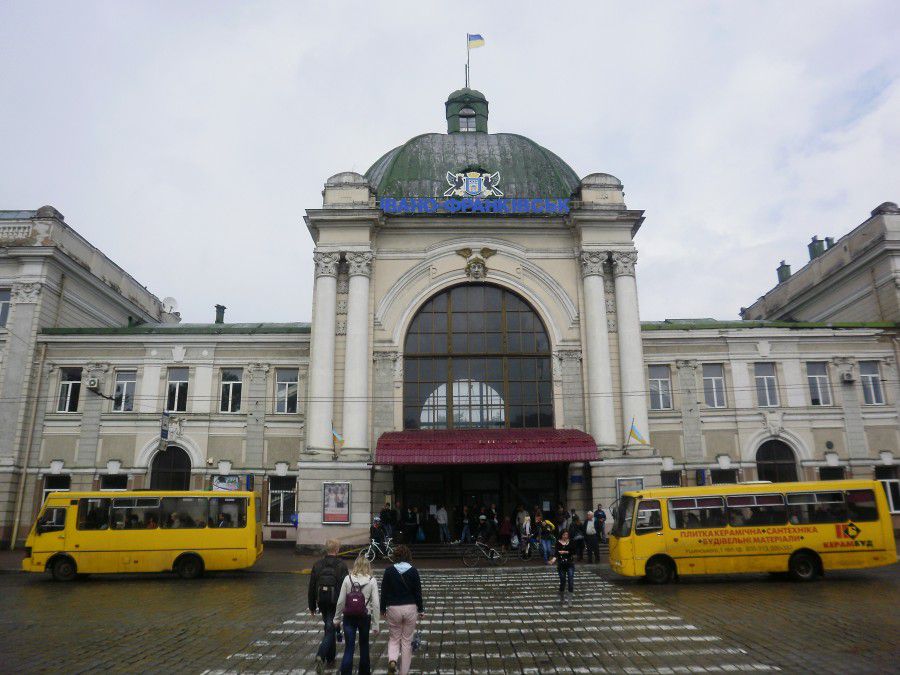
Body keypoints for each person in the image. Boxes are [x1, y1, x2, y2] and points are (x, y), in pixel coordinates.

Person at [333, 555, 380, 675]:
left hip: (349, 617)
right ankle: (364, 672)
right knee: (364, 646)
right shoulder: (371, 580)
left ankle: (346, 672)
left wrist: (337, 618)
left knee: (349, 647)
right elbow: (376, 604)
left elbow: (341, 601)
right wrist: (376, 625)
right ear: (367, 566)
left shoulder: (347, 579)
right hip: (365, 616)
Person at [380, 545, 424, 675]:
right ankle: (403, 672)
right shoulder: (413, 571)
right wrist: (421, 609)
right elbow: (418, 593)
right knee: (406, 641)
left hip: (393, 608)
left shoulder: (389, 571)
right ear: (408, 556)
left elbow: (384, 591)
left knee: (394, 639)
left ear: (395, 556)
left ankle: (392, 660)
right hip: (410, 608)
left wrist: (382, 609)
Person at [309, 539, 349, 674]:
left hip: (322, 600)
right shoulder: (341, 565)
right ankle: (320, 654)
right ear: (337, 550)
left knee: (328, 626)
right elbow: (346, 586)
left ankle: (331, 657)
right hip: (335, 602)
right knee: (331, 628)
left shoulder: (317, 564)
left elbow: (312, 586)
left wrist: (312, 606)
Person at [550, 529, 575, 595]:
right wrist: (553, 560)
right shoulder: (558, 543)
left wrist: (565, 552)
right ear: (561, 535)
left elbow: (573, 551)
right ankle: (561, 592)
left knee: (570, 580)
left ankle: (570, 596)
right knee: (563, 580)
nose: (565, 536)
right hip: (561, 564)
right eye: (564, 535)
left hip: (570, 563)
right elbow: (556, 553)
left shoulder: (571, 542)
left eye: (566, 535)